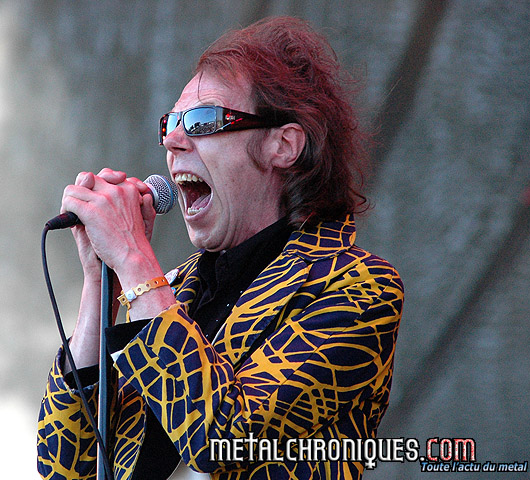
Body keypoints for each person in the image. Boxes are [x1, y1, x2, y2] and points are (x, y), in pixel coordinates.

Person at [37, 16, 403, 480]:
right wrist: (101, 282)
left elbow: (222, 437)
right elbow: (64, 469)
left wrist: (132, 258)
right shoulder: (174, 291)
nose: (172, 140)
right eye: (170, 122)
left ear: (283, 145)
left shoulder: (360, 288)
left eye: (202, 121)